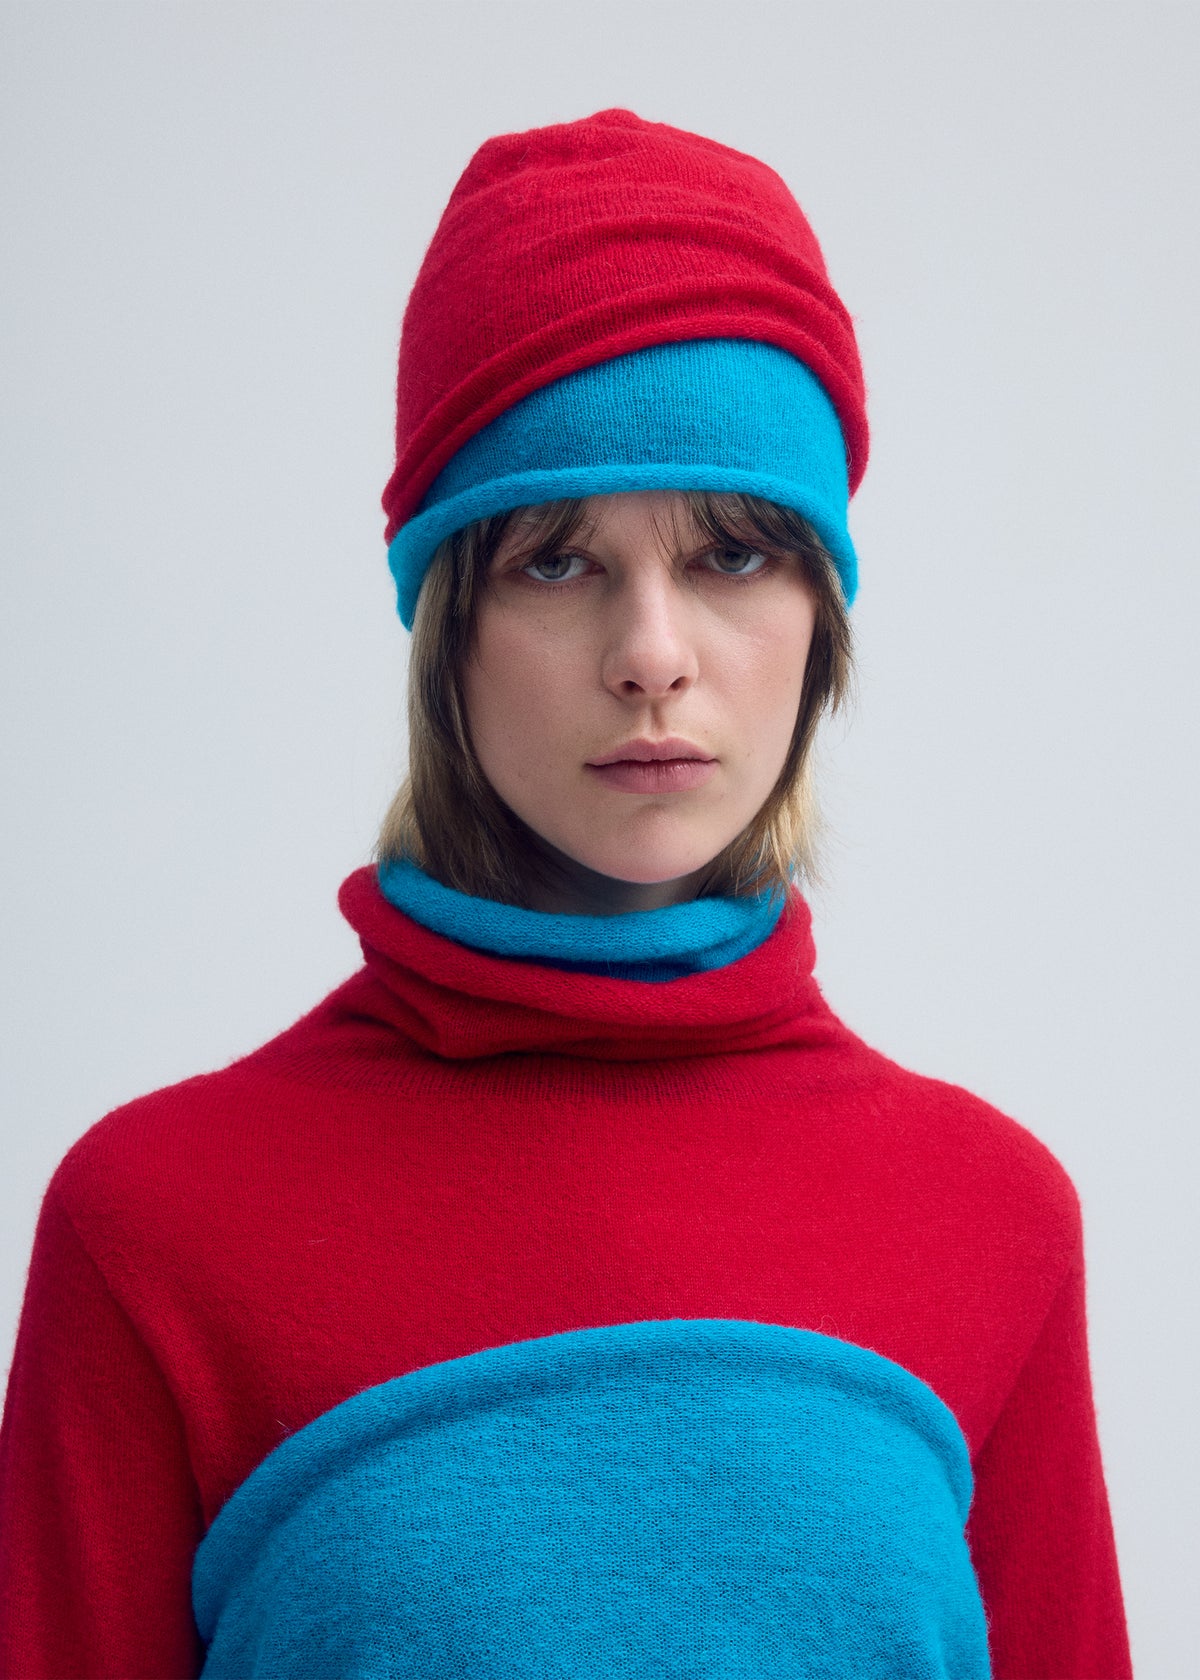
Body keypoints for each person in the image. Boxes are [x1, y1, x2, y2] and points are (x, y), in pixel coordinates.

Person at [0, 109, 1131, 1679]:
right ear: (447, 623)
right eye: (555, 560)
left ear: (823, 615)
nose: (652, 653)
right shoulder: (157, 1230)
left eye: (733, 555)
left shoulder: (993, 1221)